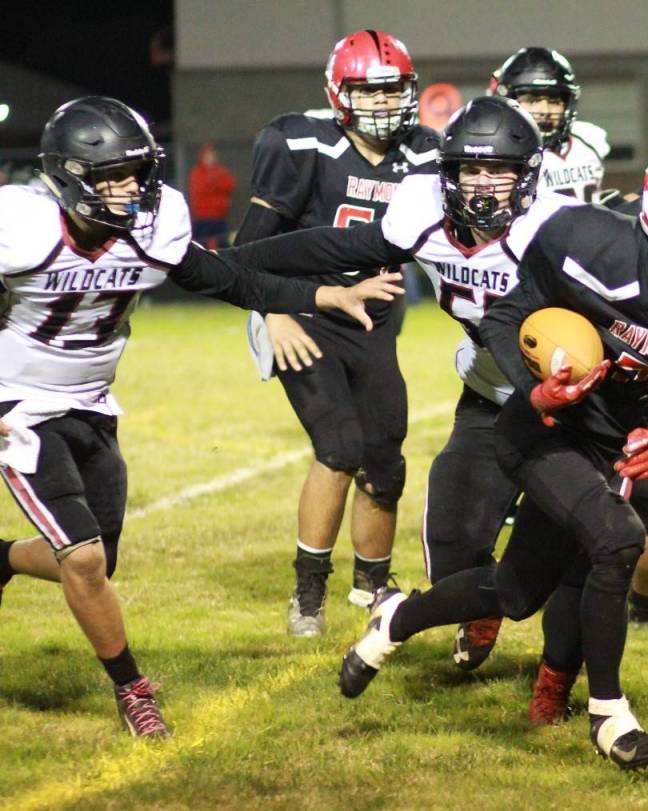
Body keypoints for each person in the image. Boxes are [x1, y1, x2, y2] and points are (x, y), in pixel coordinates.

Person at [333, 139, 648, 771]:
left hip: (609, 436)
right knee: (618, 538)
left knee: (515, 591)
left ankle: (396, 621)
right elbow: (502, 319)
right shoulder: (587, 244)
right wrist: (534, 388)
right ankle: (609, 715)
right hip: (541, 426)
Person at [0, 97, 402, 738]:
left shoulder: (148, 225)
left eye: (137, 172)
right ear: (71, 176)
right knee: (83, 559)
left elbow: (231, 279)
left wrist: (324, 293)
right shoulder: (21, 225)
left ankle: (4, 560)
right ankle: (132, 689)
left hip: (92, 403)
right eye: (114, 176)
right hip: (19, 406)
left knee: (99, 560)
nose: (132, 188)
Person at [233, 30, 440, 637]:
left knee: (386, 459)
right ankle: (308, 594)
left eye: (393, 89)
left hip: (373, 322)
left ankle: (372, 586)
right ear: (338, 94)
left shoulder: (425, 154)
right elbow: (249, 251)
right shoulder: (302, 143)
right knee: (340, 447)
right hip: (303, 313)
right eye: (367, 91)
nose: (383, 103)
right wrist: (273, 314)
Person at [489, 47, 609, 202]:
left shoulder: (588, 139)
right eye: (532, 100)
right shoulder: (501, 156)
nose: (544, 111)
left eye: (554, 101)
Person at [187, 142, 236, 249]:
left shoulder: (221, 172)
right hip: (202, 218)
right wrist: (212, 185)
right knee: (200, 246)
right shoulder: (197, 173)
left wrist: (214, 184)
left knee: (223, 245)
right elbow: (198, 190)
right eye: (207, 155)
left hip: (219, 216)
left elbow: (229, 185)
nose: (209, 158)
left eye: (211, 155)